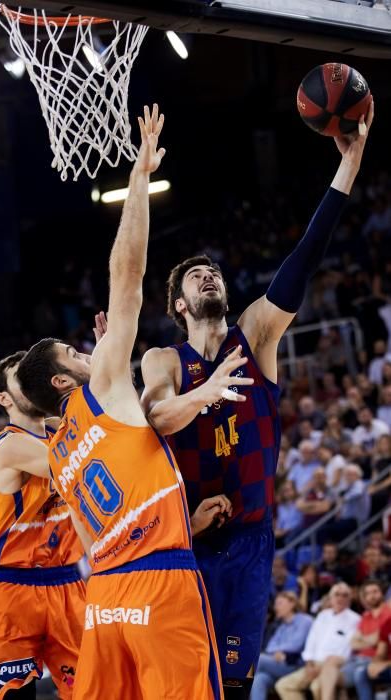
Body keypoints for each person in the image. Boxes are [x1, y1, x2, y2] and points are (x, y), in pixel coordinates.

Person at [141, 102, 374, 697]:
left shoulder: (256, 336)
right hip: (186, 539)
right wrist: (210, 390)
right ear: (180, 306)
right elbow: (157, 417)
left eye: (213, 271)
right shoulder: (164, 361)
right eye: (197, 277)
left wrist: (345, 169)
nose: (210, 276)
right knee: (184, 683)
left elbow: (302, 260)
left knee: (237, 683)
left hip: (248, 539)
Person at [17, 105, 227, 700]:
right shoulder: (101, 385)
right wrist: (137, 179)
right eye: (72, 353)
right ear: (63, 383)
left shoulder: (57, 457)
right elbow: (127, 275)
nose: (86, 351)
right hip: (161, 586)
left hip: (106, 599)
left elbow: (94, 535)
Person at [0, 352, 85, 700]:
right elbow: (74, 463)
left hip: (67, 581)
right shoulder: (10, 445)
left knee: (93, 689)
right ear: (4, 399)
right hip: (15, 588)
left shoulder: (61, 429)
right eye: (20, 378)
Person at [275, 583, 360, 700]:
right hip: (313, 664)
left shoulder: (355, 619)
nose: (340, 598)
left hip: (334, 666)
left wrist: (324, 666)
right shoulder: (322, 616)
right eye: (337, 594)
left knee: (316, 687)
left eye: (345, 595)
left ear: (350, 599)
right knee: (283, 685)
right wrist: (309, 663)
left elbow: (347, 650)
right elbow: (311, 641)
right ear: (331, 598)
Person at [251, 592, 312, 700]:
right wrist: (278, 653)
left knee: (258, 660)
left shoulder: (305, 620)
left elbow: (296, 644)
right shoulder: (282, 626)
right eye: (275, 604)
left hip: (296, 664)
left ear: (292, 604)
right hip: (278, 663)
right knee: (259, 679)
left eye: (279, 603)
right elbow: (270, 647)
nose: (275, 607)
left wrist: (281, 652)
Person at [340, 580, 391, 700]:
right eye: (368, 593)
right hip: (362, 660)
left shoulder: (388, 614)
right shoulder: (368, 617)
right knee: (330, 676)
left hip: (373, 661)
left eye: (375, 591)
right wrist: (377, 662)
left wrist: (364, 639)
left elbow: (376, 640)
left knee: (357, 674)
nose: (372, 596)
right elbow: (354, 643)